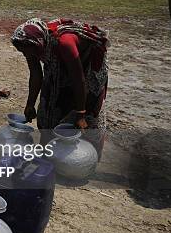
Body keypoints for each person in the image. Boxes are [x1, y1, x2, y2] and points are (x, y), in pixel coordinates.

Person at [11, 18, 109, 157]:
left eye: (26, 51)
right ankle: (48, 150)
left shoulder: (64, 43)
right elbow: (36, 74)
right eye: (22, 52)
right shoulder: (31, 44)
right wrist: (30, 104)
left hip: (86, 68)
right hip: (61, 63)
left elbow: (78, 80)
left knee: (85, 116)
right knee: (49, 105)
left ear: (38, 43)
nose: (26, 54)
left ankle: (87, 156)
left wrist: (80, 113)